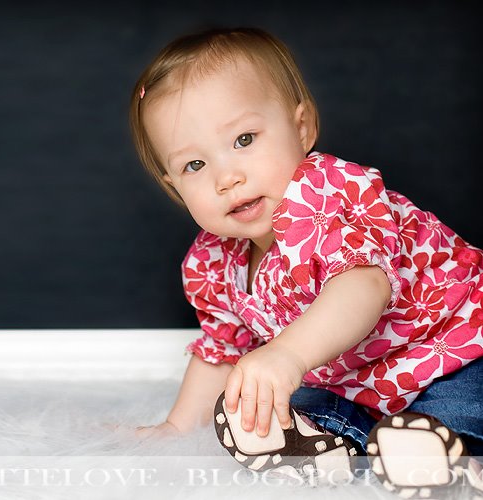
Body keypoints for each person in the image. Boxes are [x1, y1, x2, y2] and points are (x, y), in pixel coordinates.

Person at [128, 26, 483, 498]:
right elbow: (222, 351)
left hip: (455, 349)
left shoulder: (329, 195)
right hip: (361, 387)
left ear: (302, 128)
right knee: (264, 407)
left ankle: (447, 454)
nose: (226, 178)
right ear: (174, 187)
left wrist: (286, 355)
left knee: (458, 403)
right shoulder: (213, 261)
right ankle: (330, 446)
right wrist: (176, 427)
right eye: (195, 166)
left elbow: (363, 287)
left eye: (244, 139)